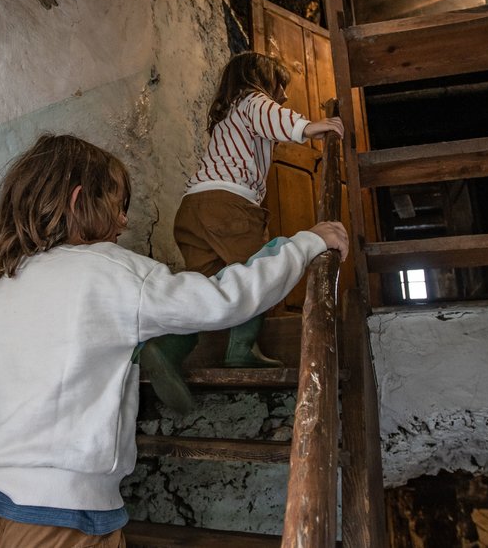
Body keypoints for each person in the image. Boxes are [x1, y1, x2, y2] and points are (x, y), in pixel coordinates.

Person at [0, 133, 347, 548]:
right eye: (117, 205)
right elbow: (225, 299)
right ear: (80, 201)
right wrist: (304, 244)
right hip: (63, 512)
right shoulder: (111, 272)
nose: (125, 221)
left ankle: (146, 345)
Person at [140, 52, 344, 413]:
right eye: (280, 87)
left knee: (206, 290)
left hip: (193, 210)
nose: (283, 97)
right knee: (260, 269)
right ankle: (241, 350)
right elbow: (272, 115)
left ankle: (169, 346)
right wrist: (311, 127)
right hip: (228, 205)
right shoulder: (252, 100)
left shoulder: (227, 117)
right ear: (261, 80)